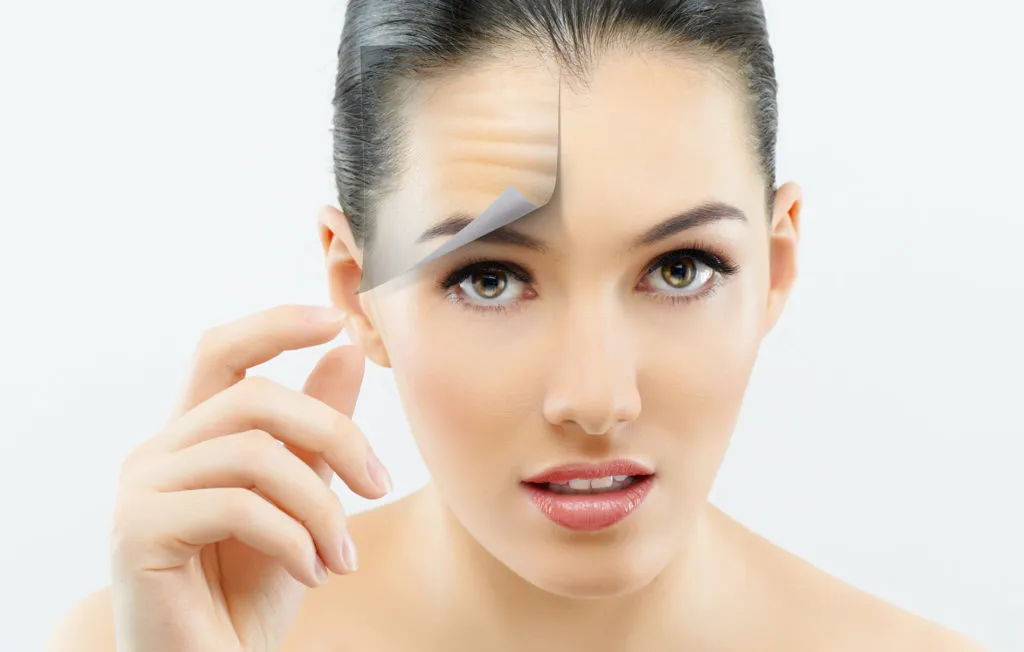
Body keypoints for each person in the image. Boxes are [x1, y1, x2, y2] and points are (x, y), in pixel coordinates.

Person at [47, 1, 986, 650]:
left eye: (679, 268)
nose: (596, 400)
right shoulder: (146, 638)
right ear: (356, 284)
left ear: (777, 266)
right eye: (490, 278)